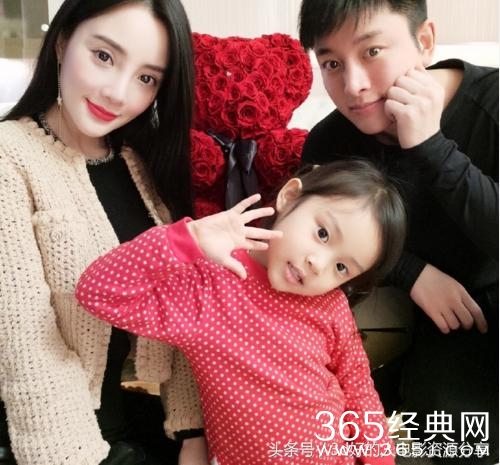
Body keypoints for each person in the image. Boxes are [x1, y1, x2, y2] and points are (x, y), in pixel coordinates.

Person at [76, 160, 406, 465]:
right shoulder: (210, 280)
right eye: (322, 234)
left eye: (341, 267)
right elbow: (98, 292)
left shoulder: (330, 304)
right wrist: (187, 239)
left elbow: (358, 388)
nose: (318, 264)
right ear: (290, 197)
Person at [0, 1, 208, 464]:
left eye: (146, 78)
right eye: (104, 56)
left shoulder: (137, 162)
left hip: (124, 427)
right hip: (44, 443)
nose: (117, 93)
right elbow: (26, 345)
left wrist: (193, 433)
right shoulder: (7, 157)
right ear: (62, 42)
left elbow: (180, 306)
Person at [298, 1, 498, 464]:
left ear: (424, 42)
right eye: (331, 63)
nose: (353, 85)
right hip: (451, 323)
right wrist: (411, 272)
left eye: (372, 52)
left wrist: (432, 147)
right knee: (457, 435)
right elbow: (316, 239)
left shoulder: (492, 103)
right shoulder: (330, 145)